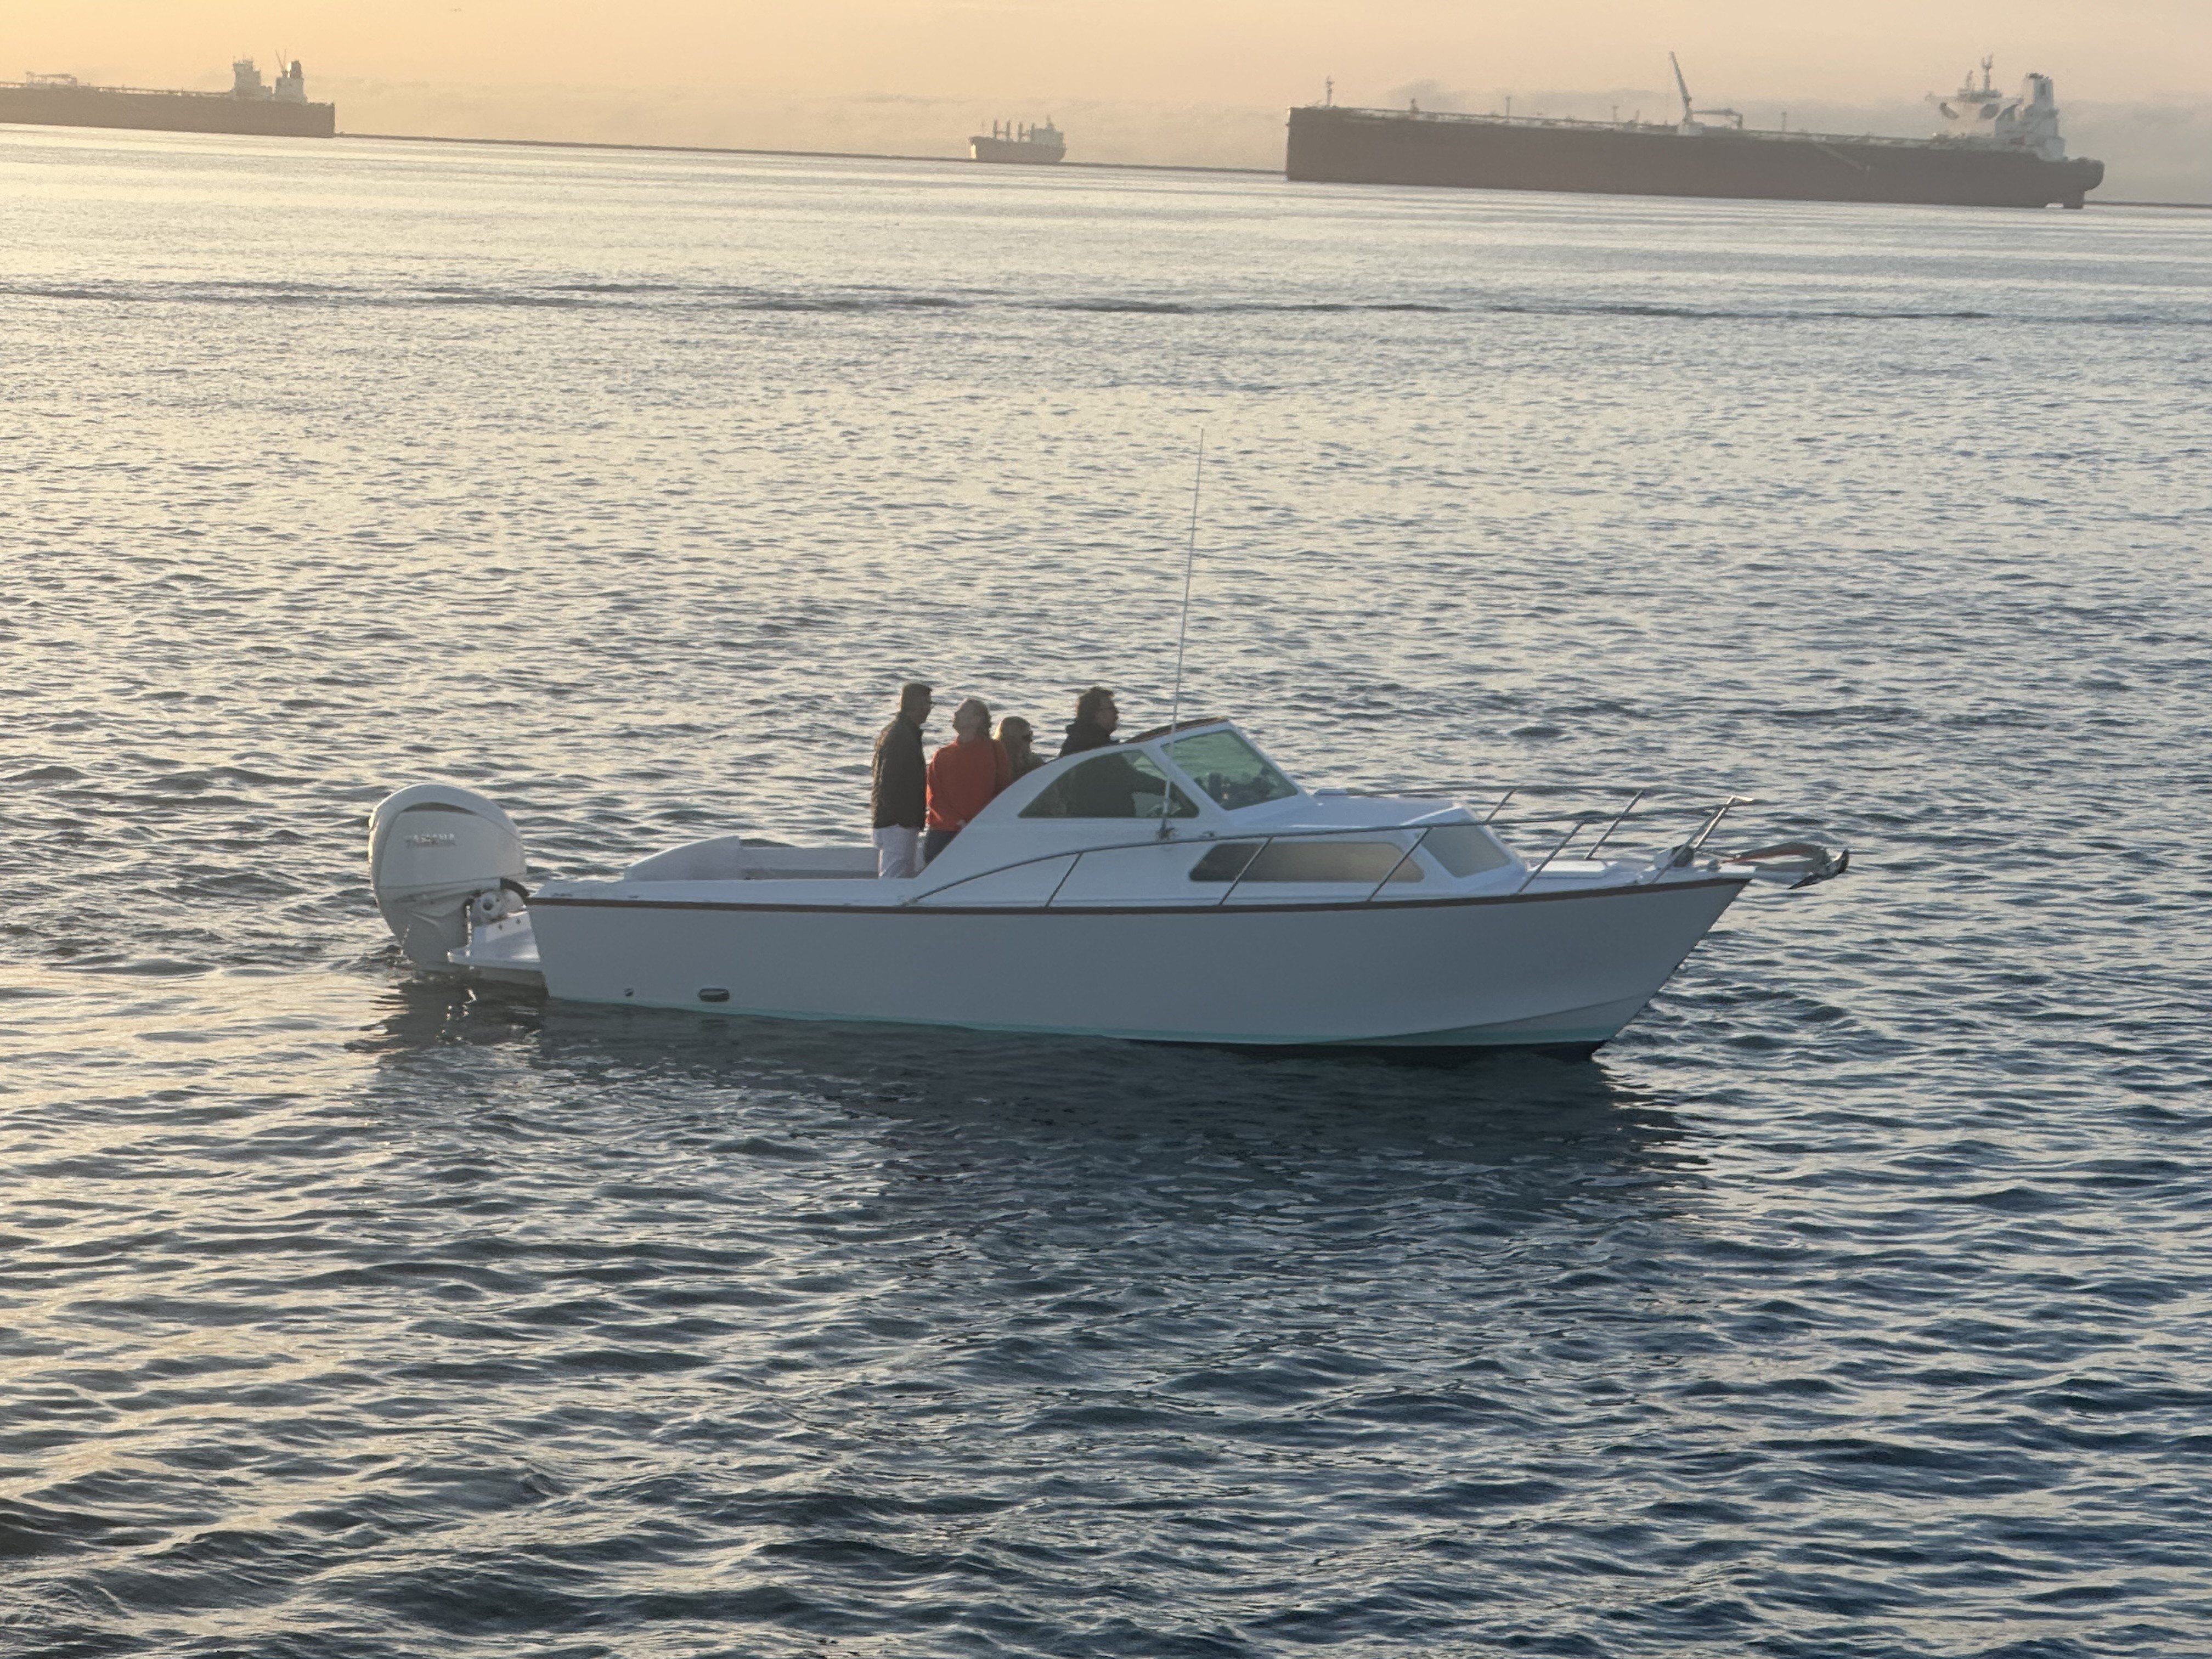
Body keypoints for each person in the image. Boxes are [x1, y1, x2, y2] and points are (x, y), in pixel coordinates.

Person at [924, 697, 1012, 863]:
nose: (956, 713)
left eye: (963, 710)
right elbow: (934, 797)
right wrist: (958, 822)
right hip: (944, 831)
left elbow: (1003, 790)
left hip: (980, 830)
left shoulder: (995, 750)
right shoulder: (942, 755)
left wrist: (979, 822)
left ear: (977, 720)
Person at [871, 681, 932, 878]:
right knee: (894, 877)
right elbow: (889, 782)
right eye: (928, 704)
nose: (930, 709)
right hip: (898, 823)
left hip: (894, 820)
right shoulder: (902, 737)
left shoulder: (897, 732)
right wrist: (905, 819)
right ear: (919, 705)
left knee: (899, 874)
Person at [1059, 686, 1119, 756]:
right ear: (1096, 713)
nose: (1116, 712)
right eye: (1112, 709)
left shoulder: (1079, 738)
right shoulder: (1089, 743)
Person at [998, 715, 1046, 780]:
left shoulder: (1036, 762)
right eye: (1026, 737)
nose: (1031, 740)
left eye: (1031, 735)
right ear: (1010, 741)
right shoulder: (994, 765)